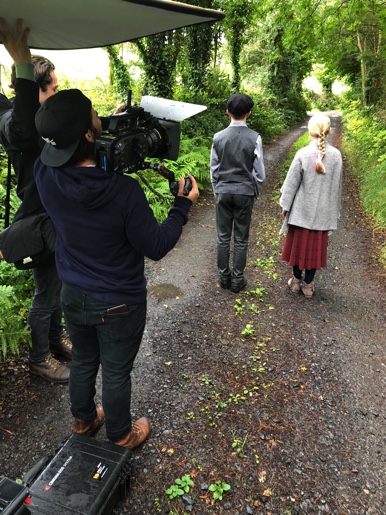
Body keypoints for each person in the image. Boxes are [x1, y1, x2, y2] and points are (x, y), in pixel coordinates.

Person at [33, 88, 199, 449]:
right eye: (95, 114)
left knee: (83, 361)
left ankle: (84, 420)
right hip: (119, 302)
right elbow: (156, 246)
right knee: (116, 371)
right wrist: (182, 206)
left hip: (72, 293)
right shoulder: (123, 192)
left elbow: (73, 152)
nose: (99, 117)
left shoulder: (44, 172)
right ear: (90, 135)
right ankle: (122, 434)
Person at [0, 18, 71, 382]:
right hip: (39, 221)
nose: (57, 94)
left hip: (54, 218)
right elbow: (24, 127)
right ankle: (40, 359)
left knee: (56, 286)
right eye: (52, 88)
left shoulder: (46, 118)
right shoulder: (15, 122)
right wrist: (22, 64)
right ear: (35, 89)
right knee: (46, 292)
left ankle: (56, 340)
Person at [279, 113, 343, 299]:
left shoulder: (303, 154)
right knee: (314, 251)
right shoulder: (336, 156)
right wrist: (333, 212)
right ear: (328, 131)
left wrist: (285, 206)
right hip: (322, 215)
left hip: (300, 213)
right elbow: (336, 187)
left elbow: (291, 184)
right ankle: (308, 286)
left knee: (298, 248)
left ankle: (295, 283)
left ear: (310, 131)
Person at [210, 93, 265, 293]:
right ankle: (237, 280)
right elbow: (259, 173)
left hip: (223, 191)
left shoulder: (218, 137)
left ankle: (223, 278)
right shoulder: (255, 138)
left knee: (223, 237)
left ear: (227, 112)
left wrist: (218, 190)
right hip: (244, 192)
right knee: (241, 238)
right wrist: (253, 192)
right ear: (249, 113)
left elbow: (213, 170)